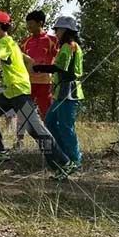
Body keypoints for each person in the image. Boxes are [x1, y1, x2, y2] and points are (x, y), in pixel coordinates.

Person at [0, 11, 73, 180]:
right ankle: (1, 151)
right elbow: (29, 60)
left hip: (19, 93)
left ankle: (64, 164)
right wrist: (26, 72)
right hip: (11, 93)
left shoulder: (2, 43)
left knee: (36, 130)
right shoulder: (11, 42)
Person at [33, 16, 84, 172]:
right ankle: (62, 155)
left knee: (66, 127)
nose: (56, 33)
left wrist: (39, 68)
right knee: (49, 122)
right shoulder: (67, 46)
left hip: (69, 92)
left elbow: (60, 68)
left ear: (66, 31)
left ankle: (74, 160)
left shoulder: (70, 46)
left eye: (58, 30)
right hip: (60, 92)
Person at [15, 10, 59, 147]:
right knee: (23, 111)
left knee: (47, 113)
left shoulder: (52, 40)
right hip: (27, 83)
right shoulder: (25, 42)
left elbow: (59, 61)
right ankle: (19, 141)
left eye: (31, 24)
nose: (29, 28)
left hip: (45, 83)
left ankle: (51, 141)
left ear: (40, 23)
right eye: (27, 25)